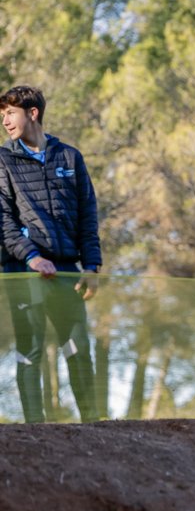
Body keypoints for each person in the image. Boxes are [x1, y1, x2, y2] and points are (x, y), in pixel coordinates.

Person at [0, 85, 102, 423]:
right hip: (23, 270)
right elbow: (2, 220)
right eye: (2, 115)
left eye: (10, 113)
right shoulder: (2, 159)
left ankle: (93, 425)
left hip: (67, 271)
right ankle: (34, 431)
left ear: (33, 113)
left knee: (78, 347)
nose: (5, 121)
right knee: (30, 351)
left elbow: (88, 216)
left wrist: (91, 266)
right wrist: (31, 256)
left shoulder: (70, 157)